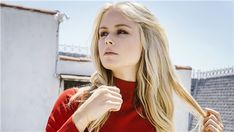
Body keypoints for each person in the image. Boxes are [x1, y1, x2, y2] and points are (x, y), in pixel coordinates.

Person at [46, 1, 224, 132]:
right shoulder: (72, 102)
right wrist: (81, 118)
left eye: (121, 31)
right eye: (103, 33)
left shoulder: (156, 113)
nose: (107, 39)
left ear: (146, 43)